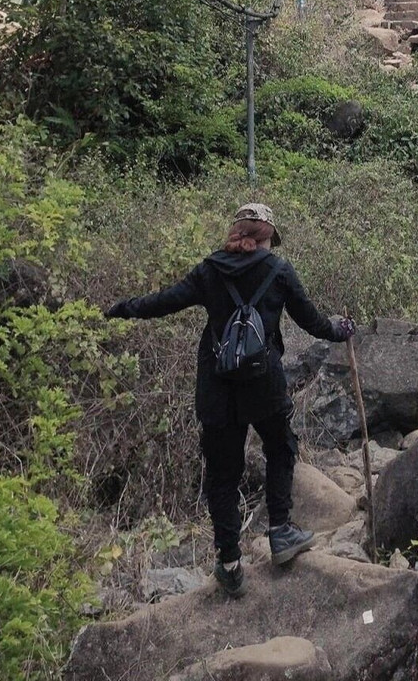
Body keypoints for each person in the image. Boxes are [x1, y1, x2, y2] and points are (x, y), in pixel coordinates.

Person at [105, 202, 355, 598]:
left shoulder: (210, 270)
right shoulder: (279, 270)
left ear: (235, 232)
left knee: (222, 475)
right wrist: (342, 329)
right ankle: (281, 532)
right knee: (280, 447)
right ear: (264, 237)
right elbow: (313, 322)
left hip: (217, 390)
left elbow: (162, 302)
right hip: (264, 386)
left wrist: (117, 310)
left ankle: (229, 563)